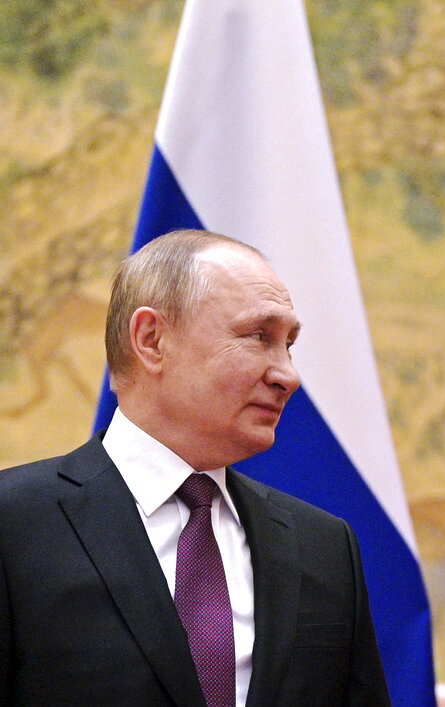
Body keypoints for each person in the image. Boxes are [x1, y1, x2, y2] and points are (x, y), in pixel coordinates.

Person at [0, 230, 391, 706]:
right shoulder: (14, 523)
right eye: (258, 337)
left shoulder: (324, 546)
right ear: (151, 340)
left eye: (288, 344)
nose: (288, 374)